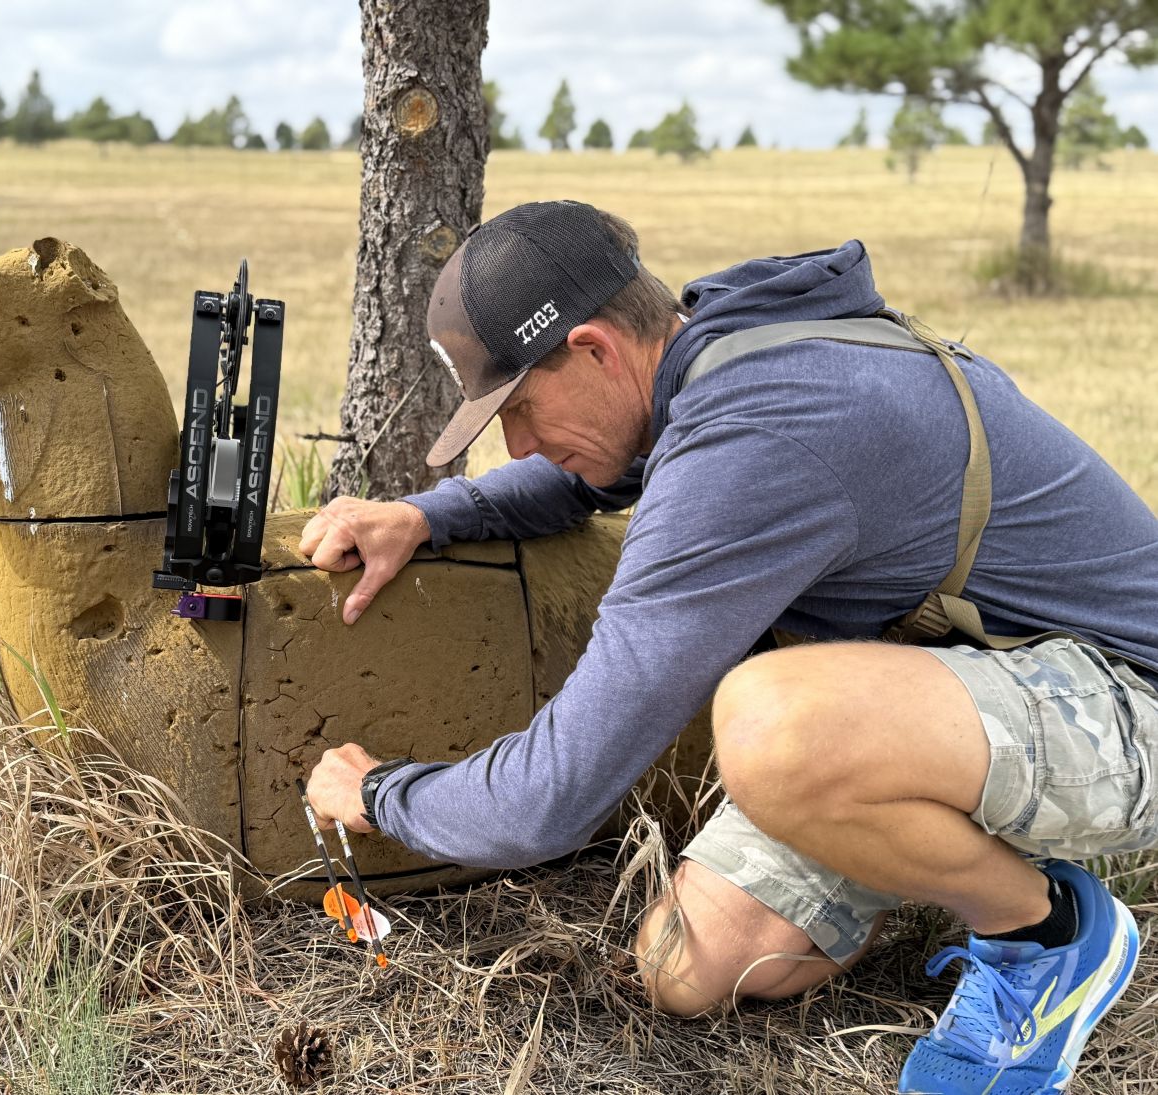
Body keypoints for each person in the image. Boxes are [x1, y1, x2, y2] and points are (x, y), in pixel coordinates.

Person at [300, 199, 1158, 1094]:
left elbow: (546, 802)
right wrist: (425, 514)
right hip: (971, 695)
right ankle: (918, 838)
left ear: (594, 348)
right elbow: (597, 474)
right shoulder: (711, 351)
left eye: (518, 406)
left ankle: (1047, 935)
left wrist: (379, 792)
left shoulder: (755, 436)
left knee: (766, 724)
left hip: (1126, 696)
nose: (516, 443)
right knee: (689, 967)